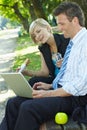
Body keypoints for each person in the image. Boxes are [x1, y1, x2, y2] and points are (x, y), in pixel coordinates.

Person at [0, 1, 87, 130]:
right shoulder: (74, 42)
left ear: (74, 21)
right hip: (62, 89)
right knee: (13, 103)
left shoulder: (83, 43)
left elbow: (79, 85)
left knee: (28, 108)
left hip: (74, 98)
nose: (59, 28)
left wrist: (48, 93)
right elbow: (69, 75)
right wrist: (50, 86)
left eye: (61, 24)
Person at [20, 18, 69, 86]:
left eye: (38, 31)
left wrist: (68, 63)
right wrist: (26, 72)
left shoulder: (66, 40)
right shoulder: (43, 48)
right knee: (33, 82)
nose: (37, 37)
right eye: (34, 36)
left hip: (68, 78)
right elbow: (44, 73)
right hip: (54, 79)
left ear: (48, 28)